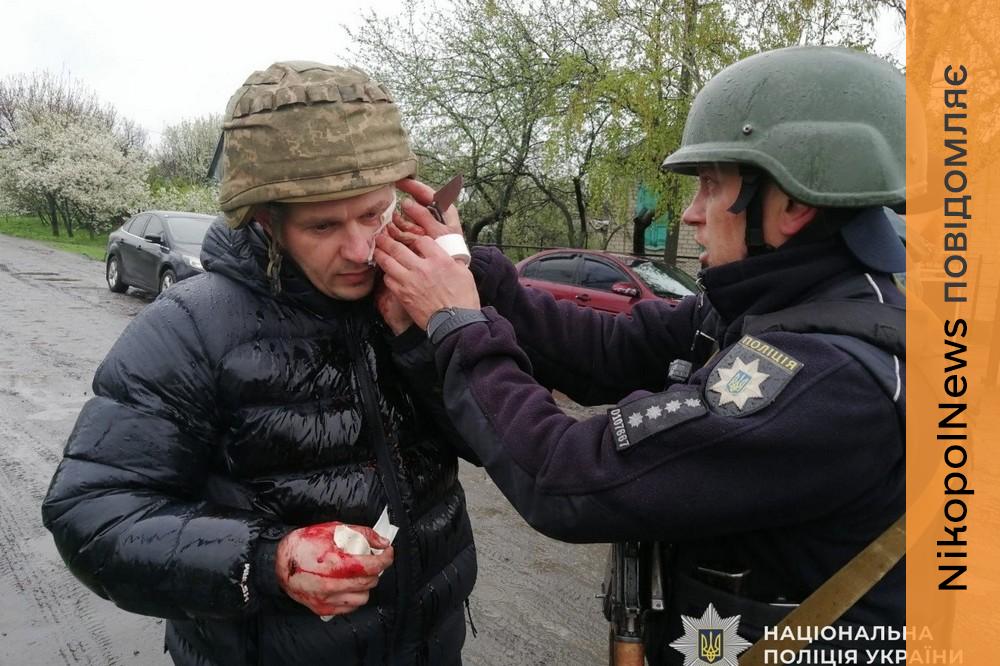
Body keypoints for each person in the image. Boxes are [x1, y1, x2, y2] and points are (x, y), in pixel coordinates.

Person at [373, 46, 905, 663]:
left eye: (711, 186)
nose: (691, 214)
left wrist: (456, 323)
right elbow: (606, 349)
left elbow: (567, 476)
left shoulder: (829, 378)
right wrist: (465, 265)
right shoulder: (766, 308)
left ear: (793, 205)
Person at [41, 62, 476, 666]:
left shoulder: (415, 297)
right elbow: (91, 515)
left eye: (374, 214)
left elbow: (490, 442)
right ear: (267, 222)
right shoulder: (191, 327)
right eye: (323, 225)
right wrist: (266, 561)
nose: (360, 250)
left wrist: (440, 326)